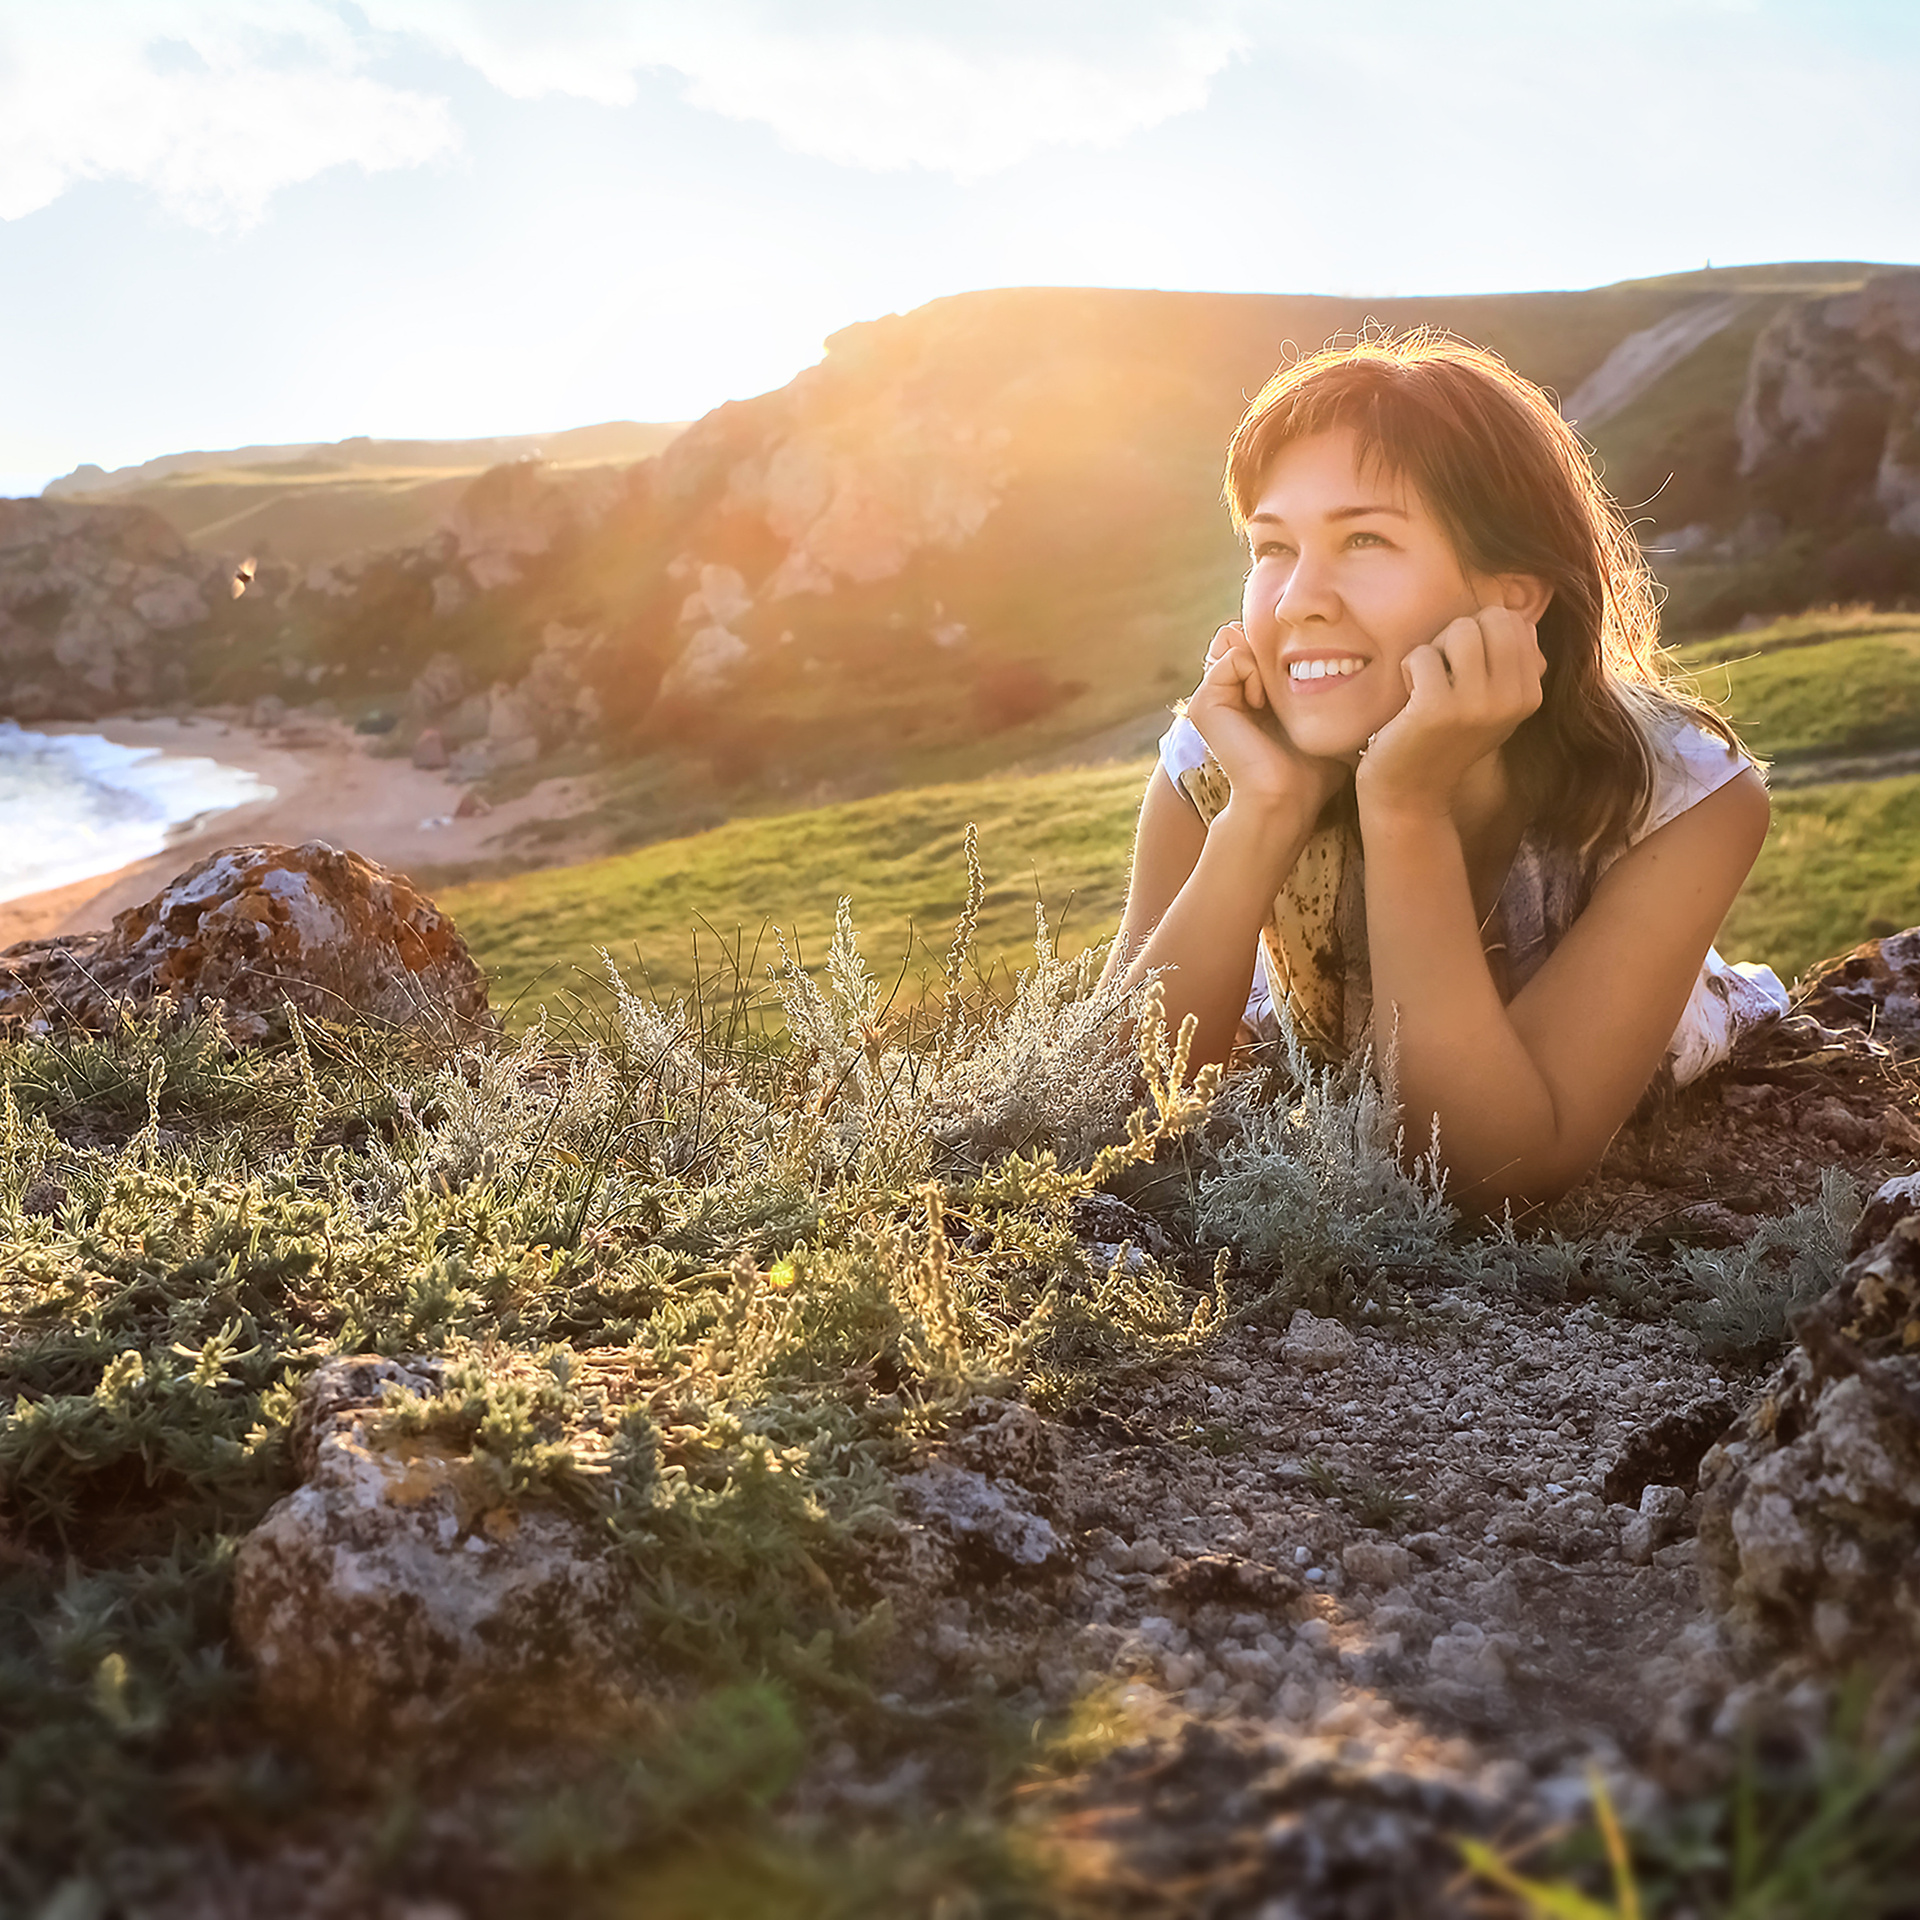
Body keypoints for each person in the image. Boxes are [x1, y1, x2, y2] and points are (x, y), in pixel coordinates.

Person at [1104, 330, 1786, 1212]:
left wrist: (1405, 806)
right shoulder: (1226, 762)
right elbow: (1103, 1107)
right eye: (1273, 548)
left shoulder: (1686, 794)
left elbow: (1486, 1173)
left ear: (1515, 590)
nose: (1300, 598)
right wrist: (1261, 818)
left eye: (1364, 541)